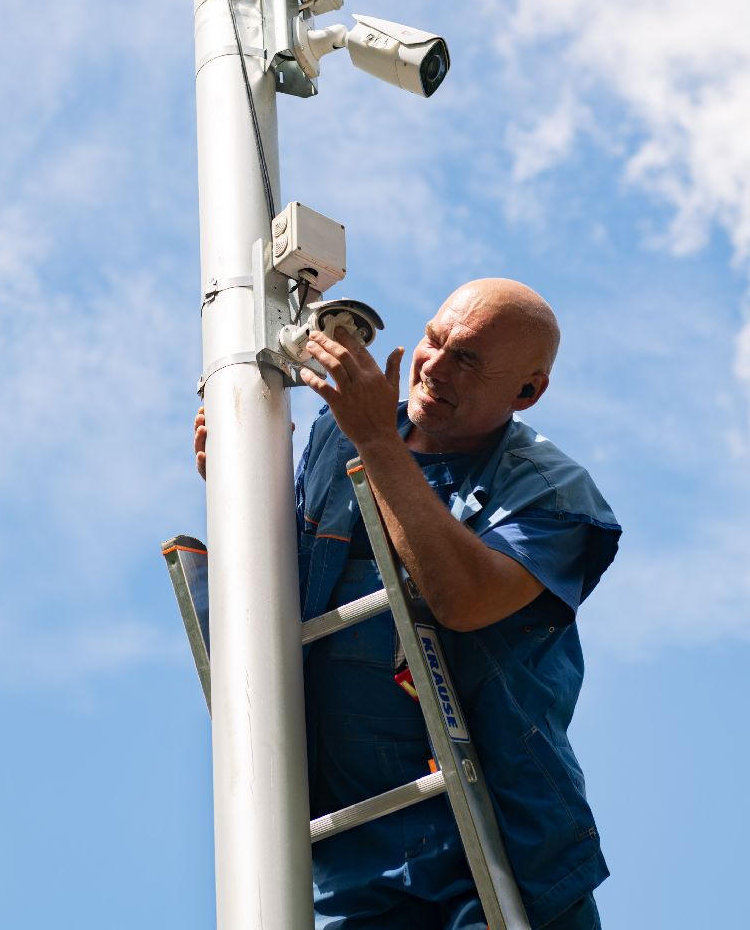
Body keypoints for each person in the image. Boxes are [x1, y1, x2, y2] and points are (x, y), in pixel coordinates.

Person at [194, 278, 620, 929]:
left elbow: (462, 598)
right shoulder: (342, 438)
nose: (435, 366)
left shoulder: (553, 494)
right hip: (358, 871)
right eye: (434, 339)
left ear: (527, 392)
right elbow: (285, 581)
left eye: (468, 358)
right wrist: (235, 481)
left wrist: (379, 445)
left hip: (500, 868)